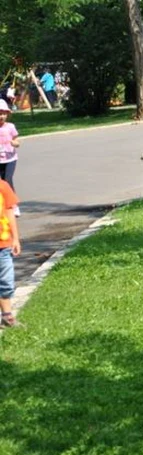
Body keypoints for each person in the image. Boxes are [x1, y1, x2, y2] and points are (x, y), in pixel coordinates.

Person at [0, 175, 21, 329]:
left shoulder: (3, 186)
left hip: (3, 244)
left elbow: (9, 212)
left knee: (6, 282)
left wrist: (16, 238)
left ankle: (7, 317)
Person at [0, 99, 21, 217]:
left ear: (7, 114)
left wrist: (15, 143)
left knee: (7, 180)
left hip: (10, 159)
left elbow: (17, 141)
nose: (1, 116)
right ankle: (3, 205)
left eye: (3, 113)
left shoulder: (10, 127)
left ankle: (14, 206)